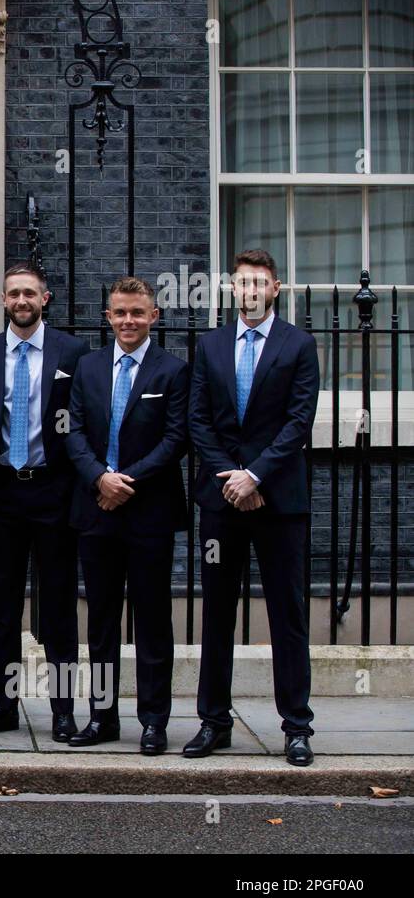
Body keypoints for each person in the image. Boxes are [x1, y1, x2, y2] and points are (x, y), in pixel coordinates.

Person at [186, 249, 319, 766]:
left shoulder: (299, 345)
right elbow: (199, 420)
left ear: (275, 288)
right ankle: (213, 722)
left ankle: (297, 727)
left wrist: (256, 474)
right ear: (233, 289)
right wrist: (233, 478)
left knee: (288, 615)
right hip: (223, 500)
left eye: (260, 282)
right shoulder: (212, 345)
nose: (251, 290)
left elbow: (298, 422)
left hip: (278, 501)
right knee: (217, 614)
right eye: (242, 283)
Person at [65, 276, 189, 754]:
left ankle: (154, 720)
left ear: (154, 316)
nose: (129, 321)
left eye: (138, 313)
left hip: (149, 513)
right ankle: (102, 718)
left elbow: (176, 440)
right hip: (97, 510)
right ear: (108, 316)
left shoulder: (173, 371)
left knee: (154, 620)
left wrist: (124, 482)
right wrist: (100, 478)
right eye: (120, 313)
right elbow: (72, 431)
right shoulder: (89, 366)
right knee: (100, 623)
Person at [0, 263, 89, 740]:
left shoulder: (73, 352)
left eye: (30, 294)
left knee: (57, 607)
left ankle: (62, 710)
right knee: (2, 607)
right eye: (14, 294)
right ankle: (2, 707)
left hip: (53, 492)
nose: (22, 301)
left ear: (45, 298)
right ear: (3, 300)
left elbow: (80, 421)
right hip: (2, 493)